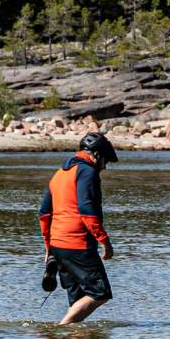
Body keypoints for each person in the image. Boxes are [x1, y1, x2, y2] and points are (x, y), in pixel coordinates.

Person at [40, 131, 118, 325]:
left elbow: (44, 213)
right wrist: (105, 242)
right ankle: (59, 329)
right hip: (77, 243)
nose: (105, 167)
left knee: (77, 300)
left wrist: (48, 247)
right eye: (105, 161)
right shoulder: (87, 172)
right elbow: (86, 210)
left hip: (59, 245)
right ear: (97, 155)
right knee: (100, 293)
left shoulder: (60, 173)